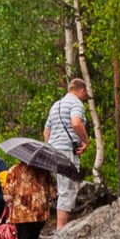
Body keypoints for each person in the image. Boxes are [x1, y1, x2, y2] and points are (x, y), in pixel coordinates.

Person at [44, 77, 90, 226]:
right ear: (81, 90)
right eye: (85, 93)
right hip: (66, 151)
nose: (85, 97)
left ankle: (60, 226)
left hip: (53, 151)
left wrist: (49, 147)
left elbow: (47, 130)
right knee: (67, 190)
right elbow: (76, 123)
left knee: (63, 188)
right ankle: (60, 229)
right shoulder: (76, 103)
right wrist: (86, 140)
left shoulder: (56, 105)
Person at [3, 158, 54, 239]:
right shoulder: (44, 170)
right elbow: (53, 194)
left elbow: (8, 197)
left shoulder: (14, 170)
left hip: (21, 215)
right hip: (40, 214)